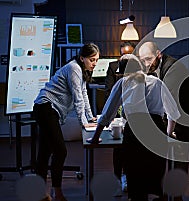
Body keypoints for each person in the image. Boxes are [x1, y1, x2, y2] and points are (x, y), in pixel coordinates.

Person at [86, 54, 180, 201]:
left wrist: (96, 137)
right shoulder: (157, 82)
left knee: (135, 177)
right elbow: (173, 113)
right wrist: (168, 133)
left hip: (135, 131)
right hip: (157, 130)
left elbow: (107, 114)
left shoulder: (123, 82)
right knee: (155, 177)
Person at [138, 41, 189, 201]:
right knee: (179, 159)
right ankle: (175, 196)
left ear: (158, 54)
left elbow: (169, 102)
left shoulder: (172, 68)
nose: (146, 64)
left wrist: (166, 129)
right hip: (180, 116)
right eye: (142, 60)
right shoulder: (155, 67)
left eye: (148, 59)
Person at [33, 43, 100, 201]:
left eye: (97, 60)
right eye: (92, 60)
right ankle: (57, 192)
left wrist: (91, 117)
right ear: (82, 58)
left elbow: (84, 94)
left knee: (44, 152)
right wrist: (83, 123)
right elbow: (78, 98)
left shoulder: (81, 69)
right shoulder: (74, 68)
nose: (95, 63)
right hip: (45, 107)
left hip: (48, 109)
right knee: (60, 151)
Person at [104, 42, 134, 193]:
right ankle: (117, 178)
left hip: (133, 113)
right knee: (118, 147)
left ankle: (129, 178)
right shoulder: (113, 66)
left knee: (131, 149)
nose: (126, 56)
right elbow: (109, 90)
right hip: (118, 110)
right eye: (123, 54)